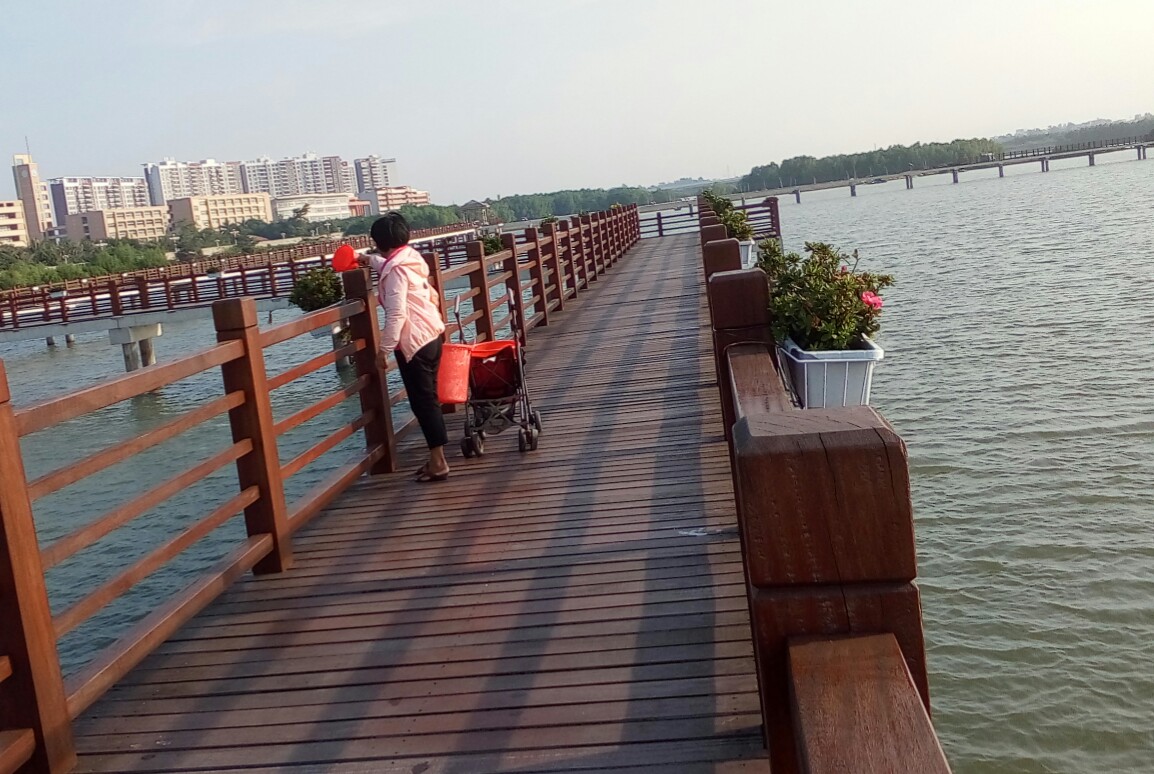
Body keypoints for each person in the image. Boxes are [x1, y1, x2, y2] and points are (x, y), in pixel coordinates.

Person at [359, 212, 450, 482]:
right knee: (429, 399)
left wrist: (384, 350)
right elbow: (387, 265)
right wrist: (368, 260)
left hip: (415, 342)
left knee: (424, 403)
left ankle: (439, 462)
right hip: (432, 334)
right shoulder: (409, 258)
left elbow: (396, 313)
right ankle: (436, 458)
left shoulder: (396, 270)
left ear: (379, 241)